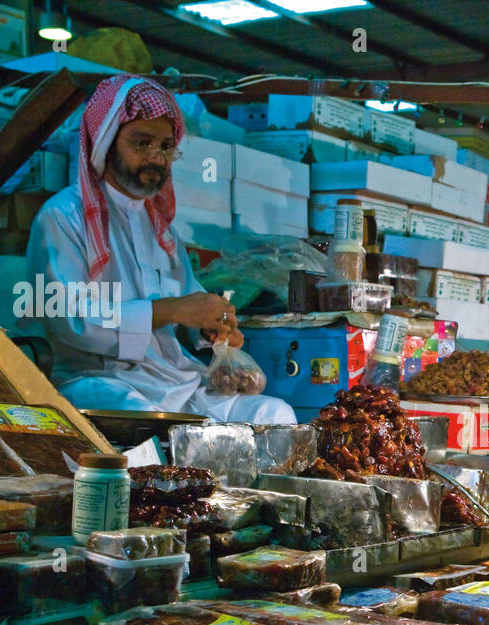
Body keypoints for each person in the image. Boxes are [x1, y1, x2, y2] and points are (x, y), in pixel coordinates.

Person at [24, 74, 295, 423]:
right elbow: (70, 318)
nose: (156, 158)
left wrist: (212, 327)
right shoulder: (62, 217)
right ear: (105, 142)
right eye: (142, 143)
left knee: (274, 414)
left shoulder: (160, 229)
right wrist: (171, 311)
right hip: (101, 382)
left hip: (175, 381)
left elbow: (189, 302)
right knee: (144, 421)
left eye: (166, 147)